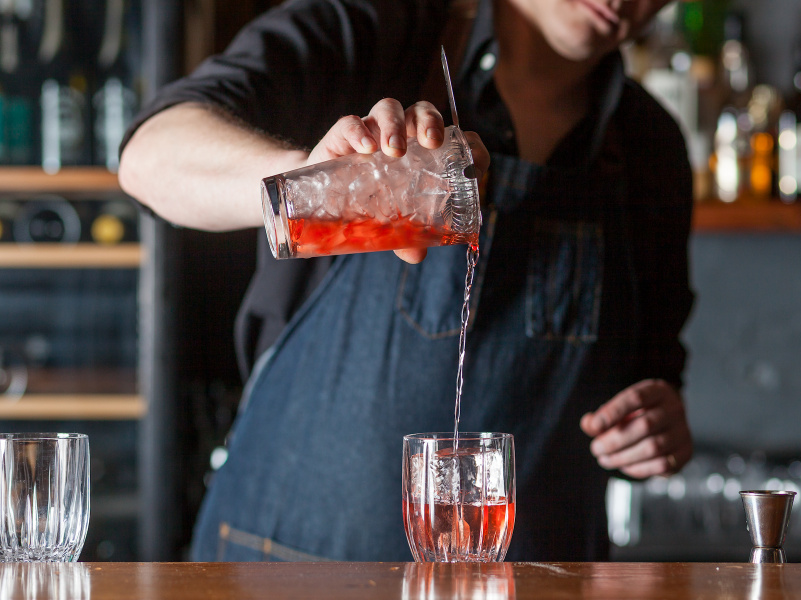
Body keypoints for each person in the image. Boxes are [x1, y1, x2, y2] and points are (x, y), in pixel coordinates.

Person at [119, 0, 695, 561]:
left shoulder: (652, 146)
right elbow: (149, 157)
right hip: (291, 565)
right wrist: (319, 187)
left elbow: (652, 374)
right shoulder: (367, 34)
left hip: (533, 578)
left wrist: (653, 426)